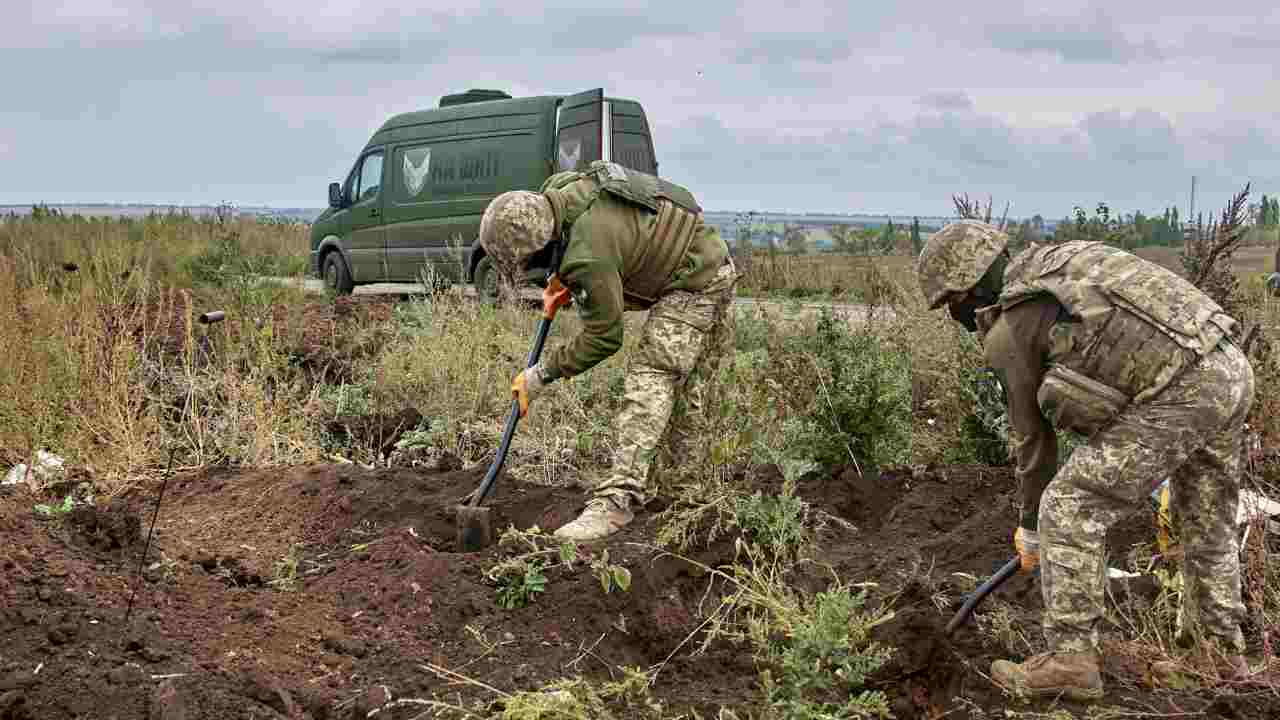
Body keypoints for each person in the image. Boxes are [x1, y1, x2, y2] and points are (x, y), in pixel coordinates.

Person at [916, 220, 1256, 700]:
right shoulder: (1063, 262)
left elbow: (1033, 442)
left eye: (952, 303)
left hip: (1182, 391)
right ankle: (1219, 655)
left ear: (968, 288)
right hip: (1229, 366)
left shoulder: (1011, 326)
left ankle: (1071, 660)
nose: (956, 314)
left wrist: (1032, 528)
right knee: (1206, 519)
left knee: (1070, 507)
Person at [477, 160, 737, 542]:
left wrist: (541, 374)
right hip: (707, 255)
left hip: (698, 280)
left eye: (530, 264)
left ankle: (617, 501)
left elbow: (604, 336)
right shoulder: (559, 190)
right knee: (688, 394)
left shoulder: (589, 257)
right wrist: (559, 279)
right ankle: (684, 498)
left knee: (653, 377)